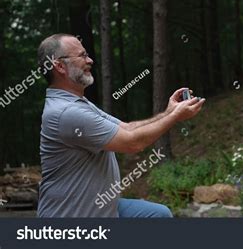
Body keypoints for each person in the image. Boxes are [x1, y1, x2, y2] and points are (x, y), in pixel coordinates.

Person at [37, 33, 205, 217]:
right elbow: (132, 143)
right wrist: (174, 117)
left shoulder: (77, 103)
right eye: (82, 55)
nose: (90, 60)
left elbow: (127, 128)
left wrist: (169, 112)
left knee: (158, 215)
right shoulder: (66, 113)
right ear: (60, 66)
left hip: (100, 208)